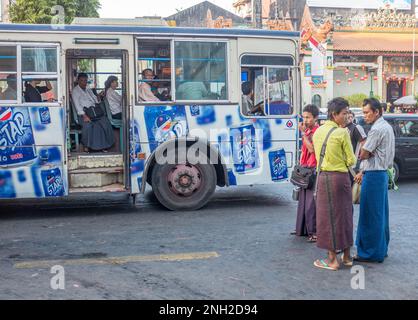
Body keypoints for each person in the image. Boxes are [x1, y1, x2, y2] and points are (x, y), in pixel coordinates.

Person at [312, 97, 357, 271]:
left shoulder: (317, 132)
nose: (347, 116)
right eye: (344, 113)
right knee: (345, 216)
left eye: (347, 113)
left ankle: (332, 260)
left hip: (324, 178)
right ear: (334, 114)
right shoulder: (342, 133)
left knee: (326, 219)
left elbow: (317, 157)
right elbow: (351, 160)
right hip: (341, 179)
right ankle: (346, 257)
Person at [354, 98, 395, 263]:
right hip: (381, 174)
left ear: (376, 112)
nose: (364, 116)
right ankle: (380, 249)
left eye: (366, 112)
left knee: (370, 215)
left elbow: (363, 153)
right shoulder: (386, 127)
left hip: (374, 175)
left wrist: (365, 152)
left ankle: (369, 253)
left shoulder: (377, 129)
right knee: (380, 215)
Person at [295, 104, 320, 242]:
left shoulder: (317, 131)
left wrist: (303, 134)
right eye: (304, 117)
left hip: (312, 169)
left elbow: (312, 150)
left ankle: (313, 231)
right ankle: (303, 229)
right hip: (305, 168)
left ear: (315, 118)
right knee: (303, 200)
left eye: (308, 117)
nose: (305, 120)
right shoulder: (308, 131)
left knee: (311, 203)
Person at [72, 73, 115, 152]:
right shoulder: (75, 91)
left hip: (94, 112)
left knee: (104, 122)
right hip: (83, 114)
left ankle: (103, 146)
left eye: (85, 80)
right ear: (78, 81)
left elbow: (96, 100)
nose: (84, 82)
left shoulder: (88, 89)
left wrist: (99, 96)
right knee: (89, 125)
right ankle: (86, 146)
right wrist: (84, 116)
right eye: (81, 81)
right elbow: (77, 105)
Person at [345, 110, 367, 180]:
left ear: (353, 118)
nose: (349, 118)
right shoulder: (339, 127)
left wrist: (362, 162)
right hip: (341, 165)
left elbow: (364, 144)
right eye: (348, 116)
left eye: (351, 117)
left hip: (353, 166)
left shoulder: (356, 127)